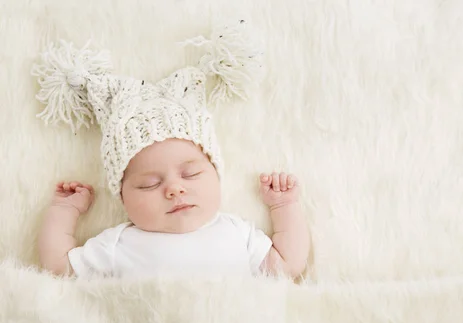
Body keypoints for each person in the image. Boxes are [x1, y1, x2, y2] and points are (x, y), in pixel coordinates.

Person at [32, 22, 310, 280]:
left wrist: (284, 207)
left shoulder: (235, 232)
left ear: (216, 174)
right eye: (149, 184)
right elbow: (59, 267)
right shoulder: (119, 244)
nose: (175, 189)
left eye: (190, 174)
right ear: (123, 198)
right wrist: (64, 211)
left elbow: (287, 266)